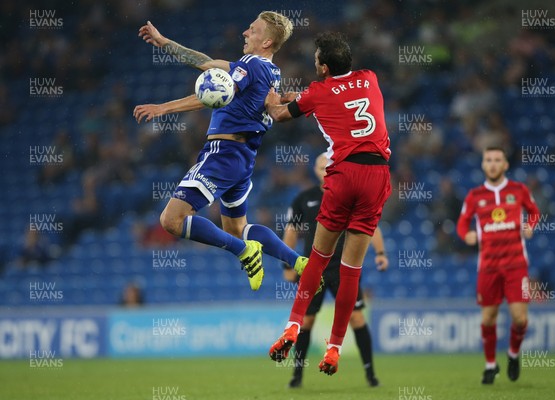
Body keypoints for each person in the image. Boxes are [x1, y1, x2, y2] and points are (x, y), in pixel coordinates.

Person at [133, 13, 310, 290]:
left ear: (266, 41)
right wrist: (165, 42)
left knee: (171, 220)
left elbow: (211, 91)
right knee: (237, 229)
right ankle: (298, 261)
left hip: (223, 153)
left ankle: (244, 252)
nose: (244, 33)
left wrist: (162, 108)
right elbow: (206, 63)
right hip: (243, 158)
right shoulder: (269, 70)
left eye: (252, 30)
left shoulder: (251, 64)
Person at [265, 32, 392, 376]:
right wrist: (301, 95)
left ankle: (292, 326)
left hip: (344, 175)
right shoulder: (369, 78)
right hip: (378, 175)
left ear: (321, 66)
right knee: (352, 270)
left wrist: (270, 97)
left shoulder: (317, 93)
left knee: (318, 260)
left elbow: (280, 114)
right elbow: (338, 96)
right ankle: (334, 349)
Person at [282, 153, 388, 387]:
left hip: (344, 269)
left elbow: (371, 226)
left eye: (328, 165)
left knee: (357, 318)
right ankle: (297, 375)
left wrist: (380, 253)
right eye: (321, 166)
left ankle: (370, 374)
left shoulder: (348, 194)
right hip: (314, 268)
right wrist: (287, 263)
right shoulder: (304, 198)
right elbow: (291, 231)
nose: (324, 169)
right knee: (306, 321)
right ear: (315, 169)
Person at [456, 146, 540, 384]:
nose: (492, 164)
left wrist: (531, 226)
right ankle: (491, 365)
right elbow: (462, 224)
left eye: (497, 160)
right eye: (488, 160)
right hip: (488, 267)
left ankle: (513, 354)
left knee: (520, 319)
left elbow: (534, 212)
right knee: (488, 318)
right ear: (483, 165)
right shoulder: (474, 195)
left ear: (505, 165)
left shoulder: (519, 190)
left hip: (516, 265)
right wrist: (467, 236)